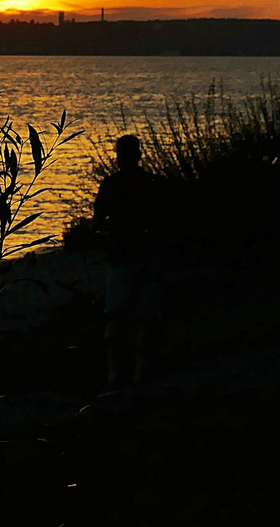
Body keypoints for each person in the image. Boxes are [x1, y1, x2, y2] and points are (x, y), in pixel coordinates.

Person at [92, 134, 163, 386]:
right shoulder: (152, 182)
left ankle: (113, 374)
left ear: (119, 157)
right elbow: (163, 218)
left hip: (120, 257)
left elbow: (98, 223)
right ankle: (139, 373)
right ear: (140, 155)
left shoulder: (110, 185)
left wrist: (115, 227)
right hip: (148, 255)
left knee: (114, 315)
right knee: (144, 317)